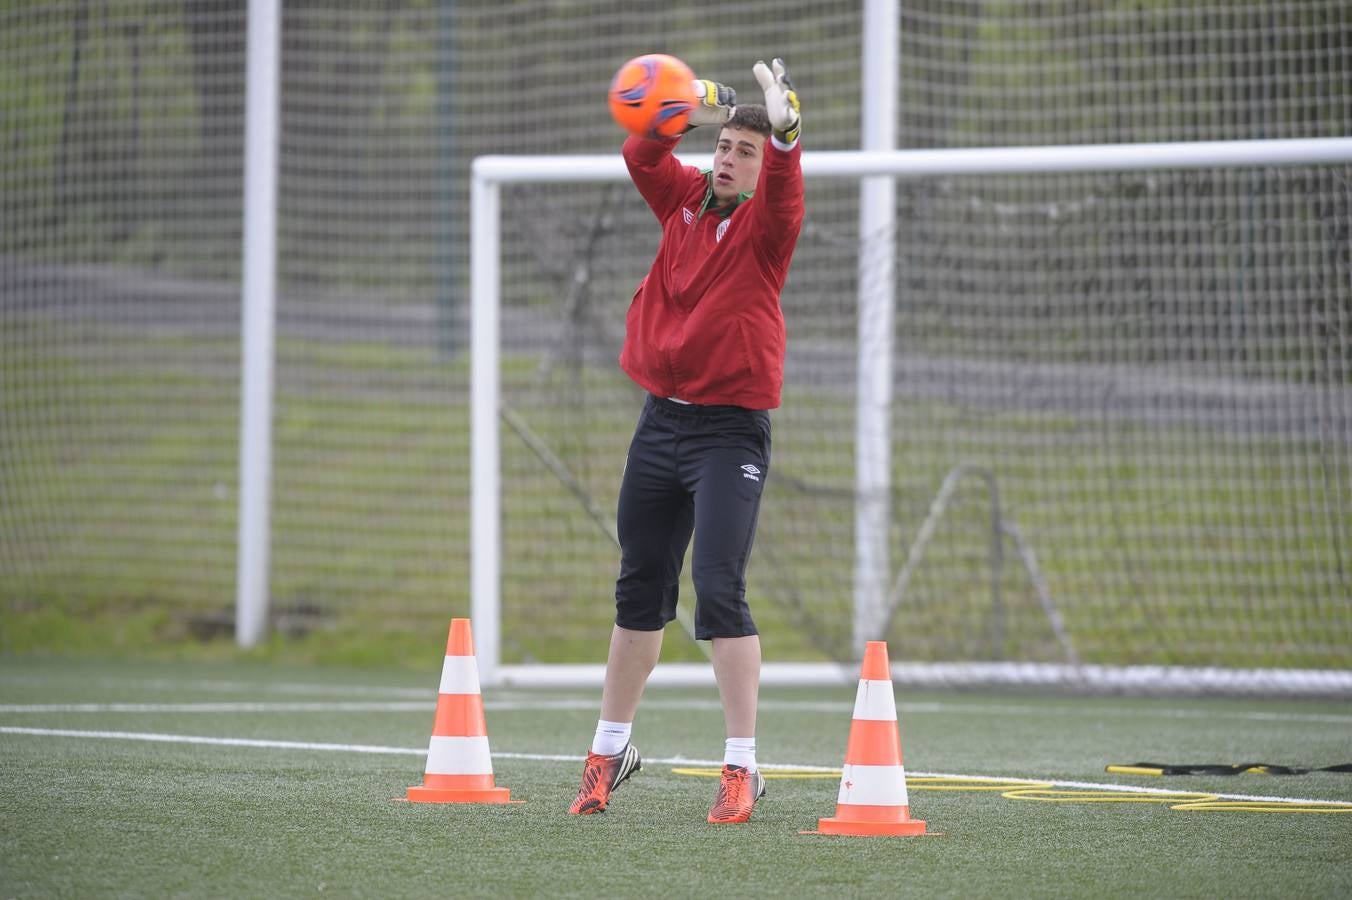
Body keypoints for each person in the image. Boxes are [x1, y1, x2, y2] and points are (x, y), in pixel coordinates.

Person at [569, 58, 804, 824]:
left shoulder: (767, 226)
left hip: (727, 431)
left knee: (720, 591)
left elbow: (785, 189)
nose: (732, 159)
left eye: (747, 151)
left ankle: (742, 767)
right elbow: (642, 152)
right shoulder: (683, 200)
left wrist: (786, 134)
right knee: (639, 588)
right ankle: (608, 751)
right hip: (660, 422)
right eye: (726, 147)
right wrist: (696, 107)